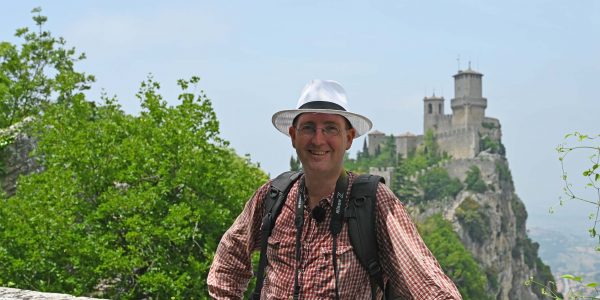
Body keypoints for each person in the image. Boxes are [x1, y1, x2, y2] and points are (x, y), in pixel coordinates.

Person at [207, 80, 462, 299]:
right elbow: (228, 262)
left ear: (348, 138)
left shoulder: (373, 203)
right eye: (308, 128)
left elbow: (428, 286)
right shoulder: (273, 196)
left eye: (330, 128)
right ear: (293, 135)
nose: (318, 140)